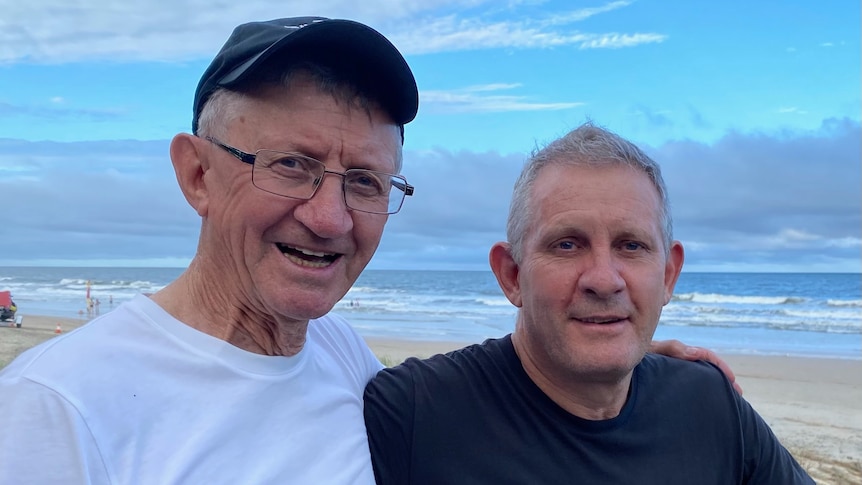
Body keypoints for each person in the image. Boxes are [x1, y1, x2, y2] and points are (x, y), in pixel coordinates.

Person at [0, 16, 736, 483]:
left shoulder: (342, 359)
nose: (329, 217)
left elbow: (480, 394)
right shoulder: (56, 406)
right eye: (291, 164)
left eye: (365, 181)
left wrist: (619, 359)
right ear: (198, 172)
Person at [363, 122, 814, 484]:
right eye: (566, 245)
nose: (603, 279)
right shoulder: (411, 411)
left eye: (632, 246)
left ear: (668, 275)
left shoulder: (709, 404)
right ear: (512, 275)